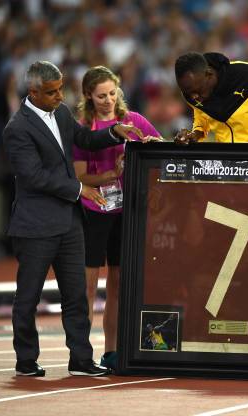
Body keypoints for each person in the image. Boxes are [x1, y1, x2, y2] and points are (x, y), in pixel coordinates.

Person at [3, 61, 142, 377]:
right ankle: (26, 359)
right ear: (33, 91)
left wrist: (113, 132)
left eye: (60, 90)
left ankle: (80, 358)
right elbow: (34, 177)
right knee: (28, 297)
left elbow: (85, 139)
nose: (59, 96)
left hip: (68, 223)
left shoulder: (62, 113)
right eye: (51, 92)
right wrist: (80, 189)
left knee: (77, 296)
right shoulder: (17, 129)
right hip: (35, 225)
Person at [73, 66, 162, 373]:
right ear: (88, 95)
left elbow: (161, 148)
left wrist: (147, 151)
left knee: (119, 284)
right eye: (101, 96)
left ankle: (111, 351)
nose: (108, 100)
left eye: (112, 93)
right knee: (87, 286)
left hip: (125, 212)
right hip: (94, 209)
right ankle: (81, 353)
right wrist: (112, 173)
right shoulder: (84, 126)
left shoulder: (133, 120)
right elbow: (80, 175)